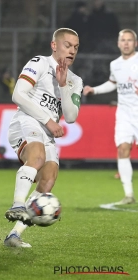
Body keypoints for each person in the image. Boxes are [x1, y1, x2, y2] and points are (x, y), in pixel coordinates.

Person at [4, 28, 83, 247]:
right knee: (37, 158)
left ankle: (14, 235)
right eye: (68, 45)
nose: (72, 51)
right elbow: (18, 95)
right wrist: (48, 120)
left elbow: (71, 116)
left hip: (47, 132)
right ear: (54, 45)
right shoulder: (39, 62)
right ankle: (18, 204)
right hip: (26, 120)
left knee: (48, 179)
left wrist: (63, 85)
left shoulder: (75, 81)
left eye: (76, 47)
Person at [83, 29, 138, 205]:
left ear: (135, 43)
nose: (127, 43)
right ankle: (129, 195)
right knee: (123, 149)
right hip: (124, 113)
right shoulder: (115, 64)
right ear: (118, 43)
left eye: (130, 40)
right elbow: (113, 83)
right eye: (124, 40)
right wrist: (95, 90)